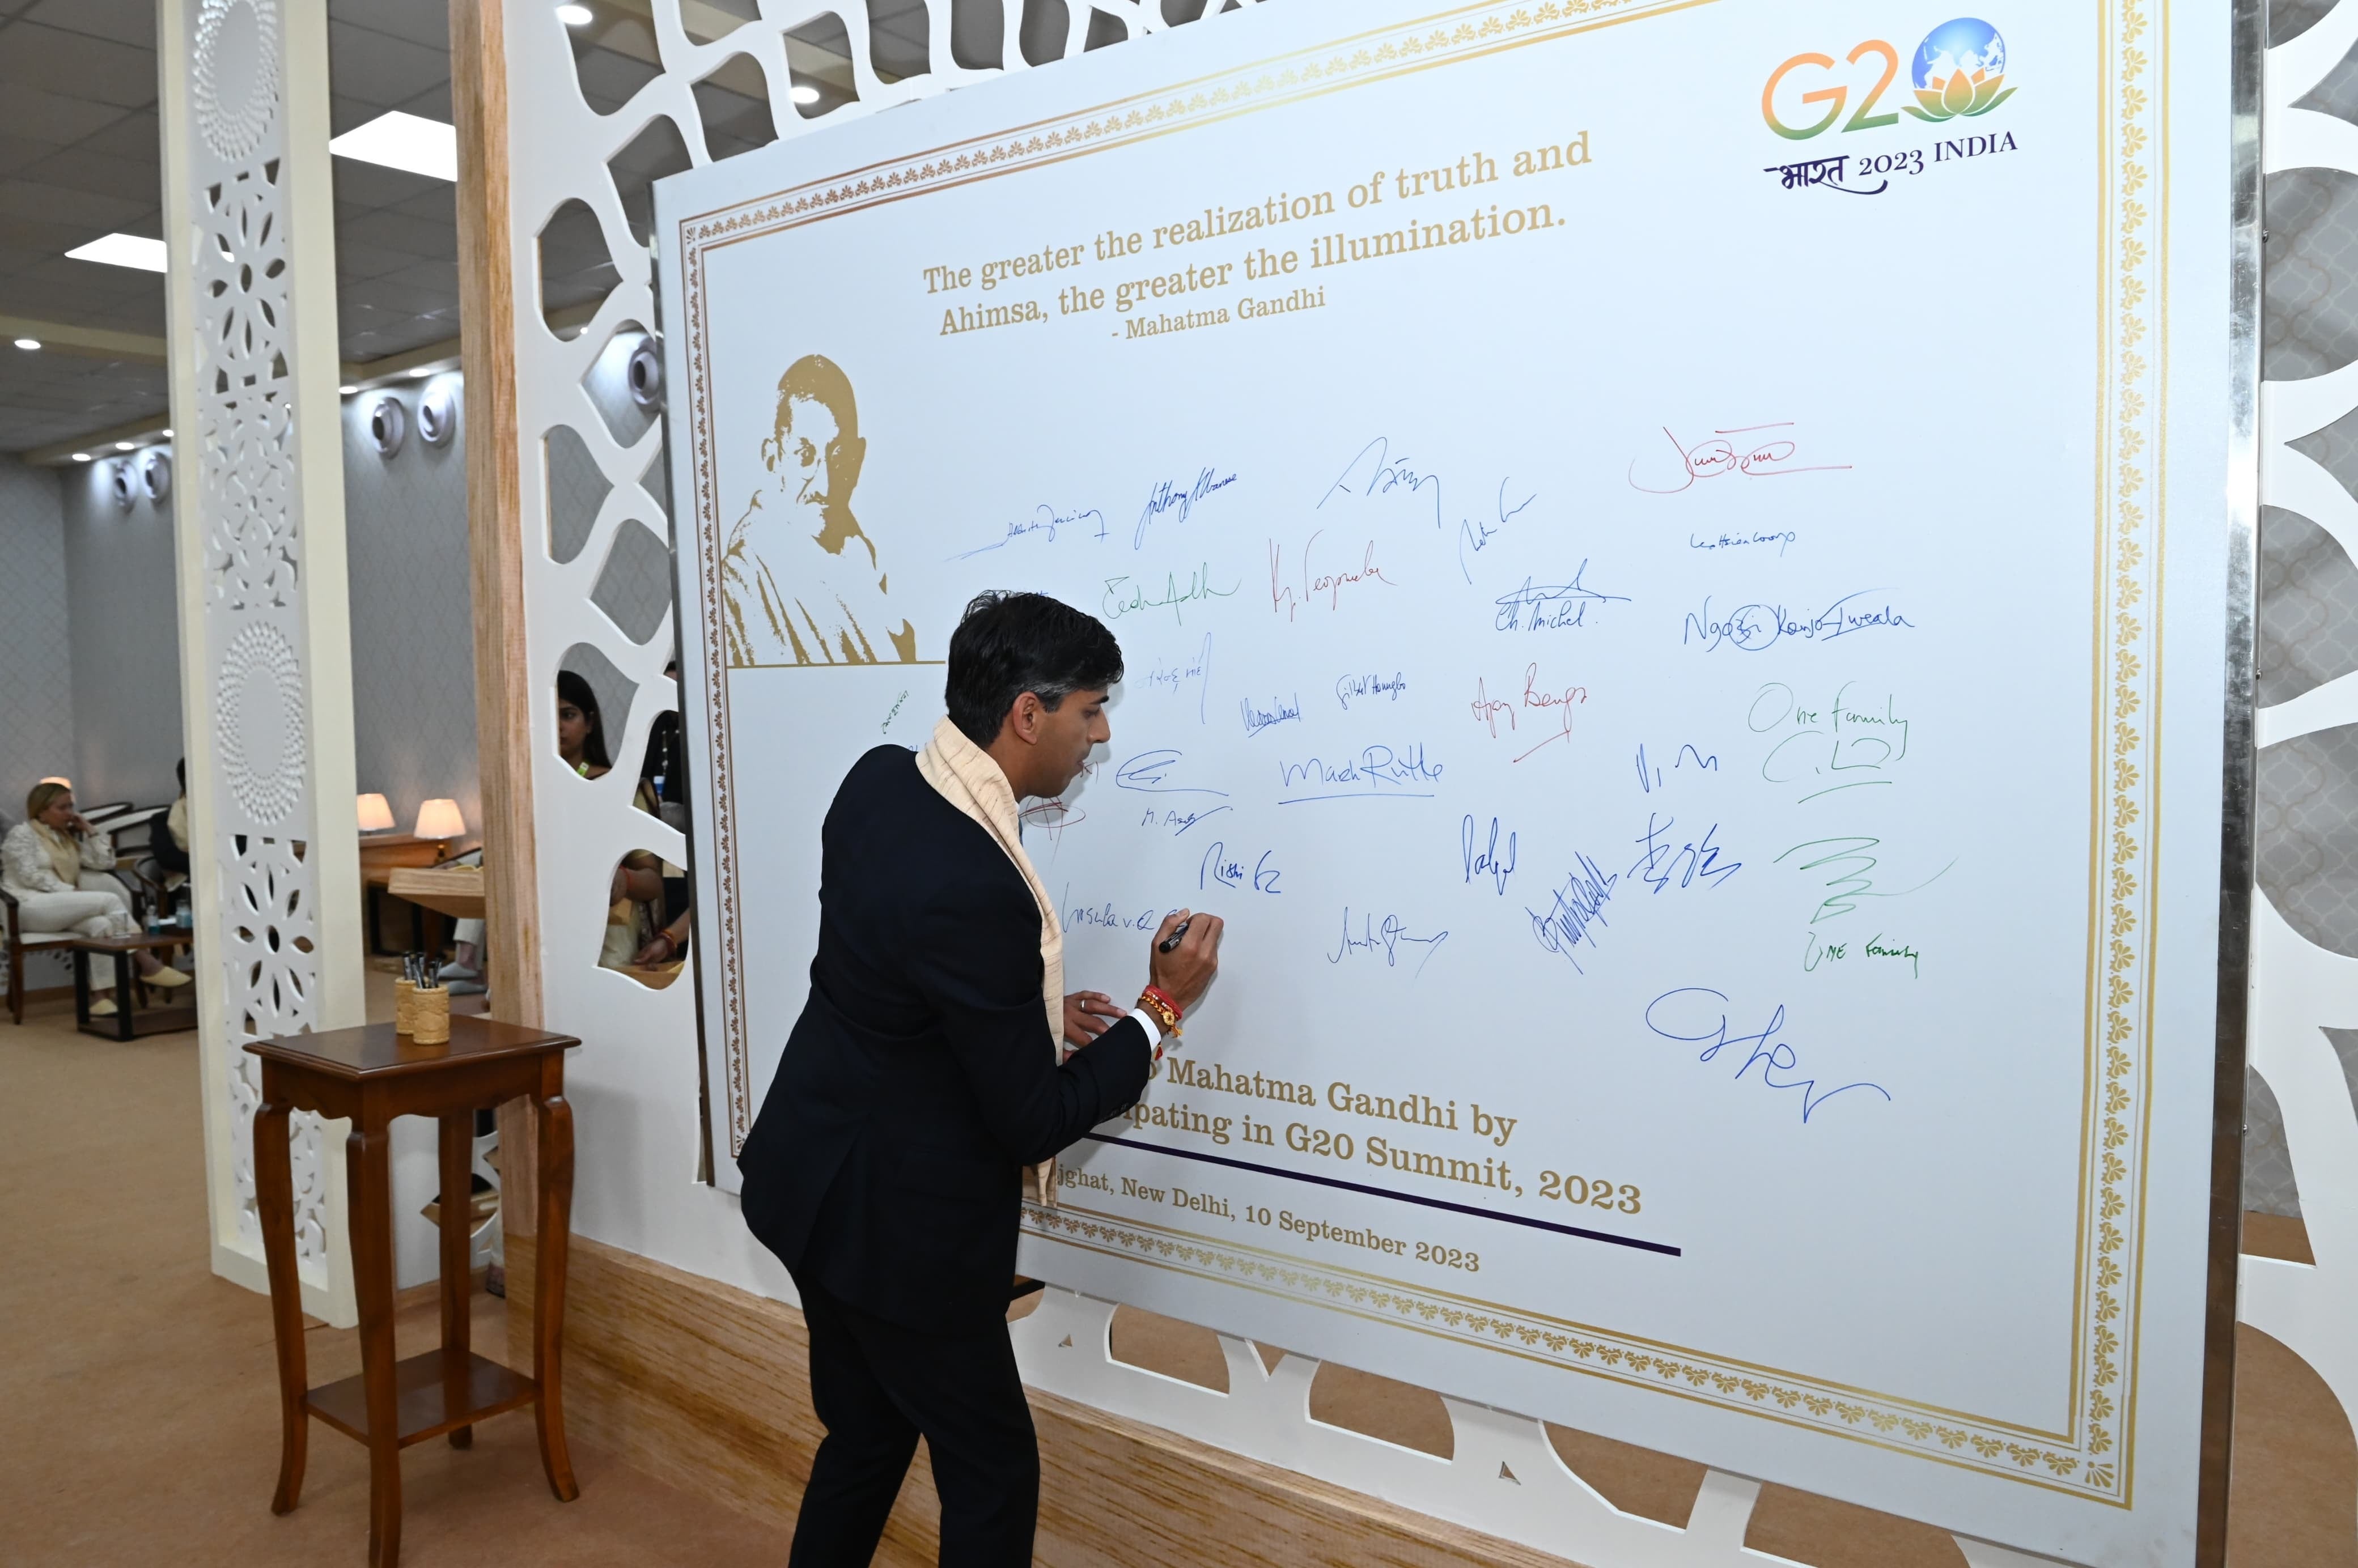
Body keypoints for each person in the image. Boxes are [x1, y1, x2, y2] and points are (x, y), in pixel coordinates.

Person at [737, 591, 1223, 1567]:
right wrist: (1158, 1008)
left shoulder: (879, 782)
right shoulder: (975, 885)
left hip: (804, 1178)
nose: (1101, 733)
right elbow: (1032, 1120)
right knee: (994, 1469)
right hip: (896, 1236)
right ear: (1028, 715)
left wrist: (1027, 1020)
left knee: (868, 1435)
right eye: (1091, 709)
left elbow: (906, 993)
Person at [721, 355, 918, 667]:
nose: (824, 485)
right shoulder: (741, 584)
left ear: (858, 458)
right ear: (773, 458)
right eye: (804, 454)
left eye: (838, 456)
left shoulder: (863, 562)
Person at [4, 781, 191, 1017]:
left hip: (61, 908)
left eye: (71, 807)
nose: (70, 813)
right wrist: (73, 894)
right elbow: (29, 875)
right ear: (41, 810)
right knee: (108, 900)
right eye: (62, 808)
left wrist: (90, 829)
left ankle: (100, 998)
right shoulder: (22, 834)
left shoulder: (65, 839)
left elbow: (105, 863)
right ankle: (149, 963)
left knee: (102, 925)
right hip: (28, 907)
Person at [555, 670, 667, 971]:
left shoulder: (619, 789)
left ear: (590, 723)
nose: (557, 726)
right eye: (547, 715)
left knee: (606, 971)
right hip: (548, 916)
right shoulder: (525, 794)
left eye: (568, 715)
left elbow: (653, 882)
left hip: (608, 919)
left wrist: (622, 879)